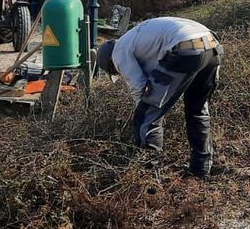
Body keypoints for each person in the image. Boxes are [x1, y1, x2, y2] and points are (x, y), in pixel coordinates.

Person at [96, 17, 223, 178]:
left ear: (110, 63)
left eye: (115, 71)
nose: (118, 72)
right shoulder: (138, 37)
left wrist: (149, 111)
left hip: (184, 48)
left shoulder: (118, 52)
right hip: (212, 45)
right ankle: (201, 169)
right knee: (197, 109)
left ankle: (149, 176)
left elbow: (139, 89)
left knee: (146, 115)